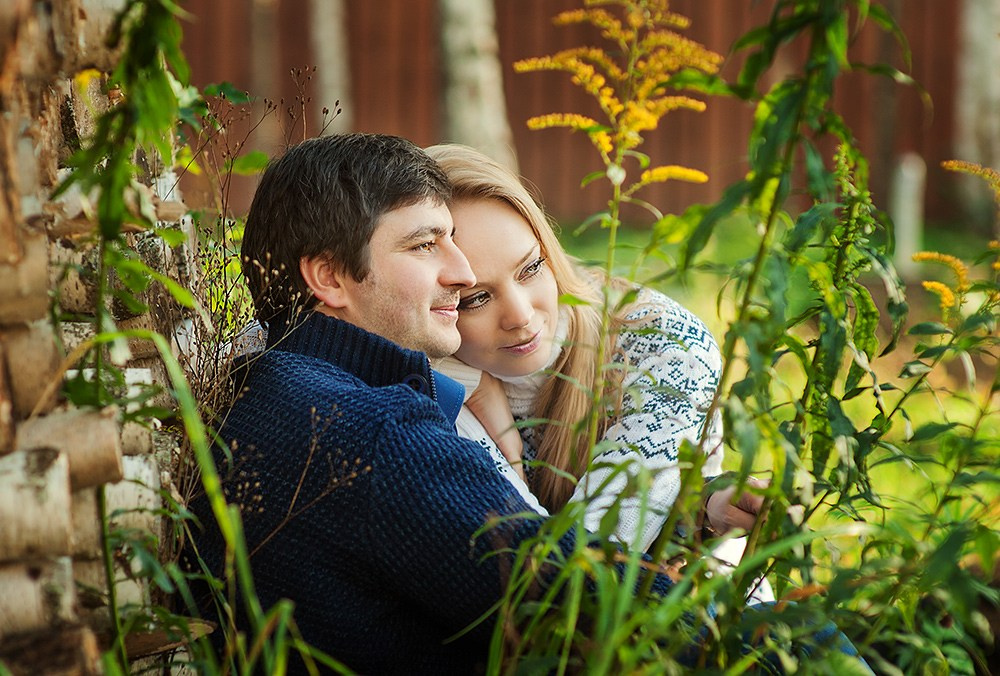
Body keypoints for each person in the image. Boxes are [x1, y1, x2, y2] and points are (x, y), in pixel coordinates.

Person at [188, 133, 861, 674]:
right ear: (328, 276)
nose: (457, 272)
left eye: (527, 267)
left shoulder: (267, 382)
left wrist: (696, 518)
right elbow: (576, 602)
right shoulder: (377, 436)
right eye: (426, 246)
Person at [426, 143, 762, 567]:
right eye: (476, 297)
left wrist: (701, 507)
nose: (521, 316)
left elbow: (583, 560)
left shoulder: (662, 344)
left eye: (531, 268)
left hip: (705, 611)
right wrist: (466, 389)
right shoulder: (432, 379)